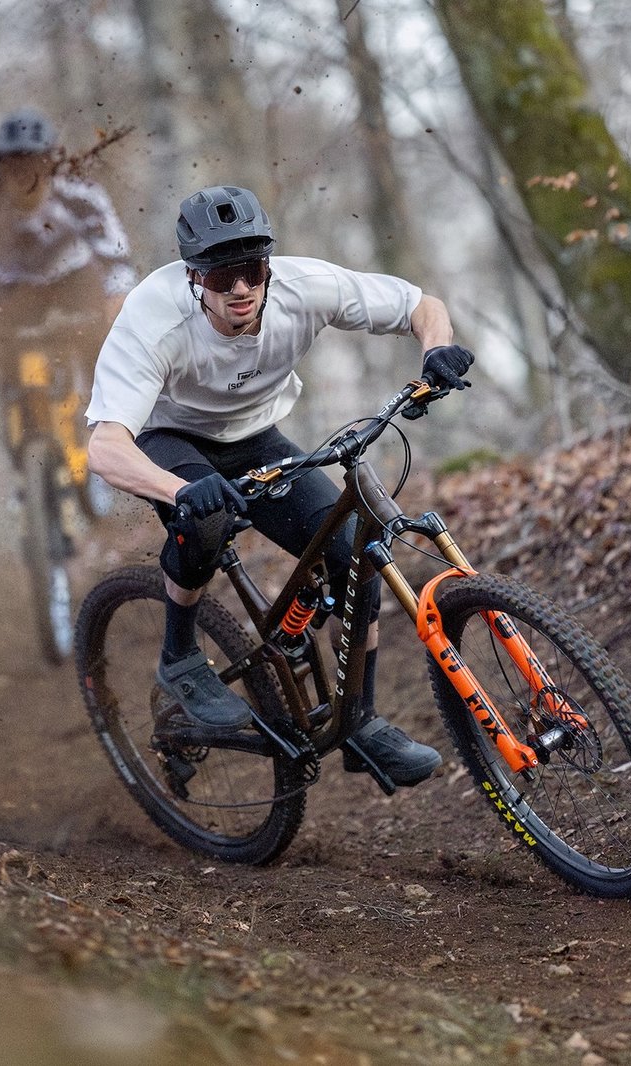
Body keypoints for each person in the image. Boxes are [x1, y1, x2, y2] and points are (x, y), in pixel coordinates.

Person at [84, 185, 475, 789]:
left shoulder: (303, 286)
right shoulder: (153, 318)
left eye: (251, 269)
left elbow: (421, 305)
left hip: (256, 434)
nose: (239, 287)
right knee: (206, 520)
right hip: (169, 439)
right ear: (193, 278)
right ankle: (180, 658)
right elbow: (106, 447)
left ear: (268, 265)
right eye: (221, 276)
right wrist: (180, 491)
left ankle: (359, 725)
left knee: (353, 551)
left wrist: (438, 350)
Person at [0, 107, 136, 346]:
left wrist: (119, 294)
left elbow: (117, 256)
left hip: (74, 278)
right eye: (13, 167)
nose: (23, 177)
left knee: (103, 343)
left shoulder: (78, 195)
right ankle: (12, 384)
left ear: (49, 166)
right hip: (13, 290)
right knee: (5, 351)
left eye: (33, 165)